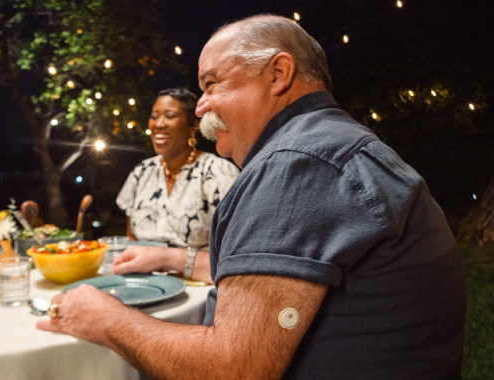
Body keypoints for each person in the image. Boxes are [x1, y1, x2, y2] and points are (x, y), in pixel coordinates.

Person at [36, 15, 466, 379]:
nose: (201, 107)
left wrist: (106, 319)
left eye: (212, 84)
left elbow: (233, 369)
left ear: (278, 74)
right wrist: (171, 258)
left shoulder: (296, 164)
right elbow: (271, 269)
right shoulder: (331, 143)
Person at [115, 87, 239, 282]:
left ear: (193, 126)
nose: (158, 124)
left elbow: (235, 251)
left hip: (201, 286)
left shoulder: (218, 172)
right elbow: (131, 237)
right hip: (143, 283)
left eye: (170, 116)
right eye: (154, 116)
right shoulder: (141, 173)